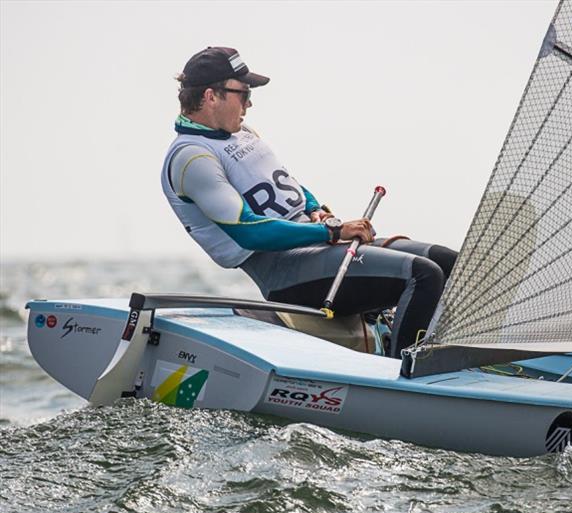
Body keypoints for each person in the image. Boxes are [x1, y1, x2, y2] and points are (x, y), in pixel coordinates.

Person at [161, 46, 457, 358]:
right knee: (424, 274)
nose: (250, 103)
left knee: (446, 261)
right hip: (284, 273)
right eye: (243, 93)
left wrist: (316, 210)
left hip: (318, 248)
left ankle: (464, 354)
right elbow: (248, 230)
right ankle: (407, 379)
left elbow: (289, 183)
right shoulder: (191, 158)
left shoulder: (241, 132)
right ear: (211, 96)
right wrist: (331, 233)